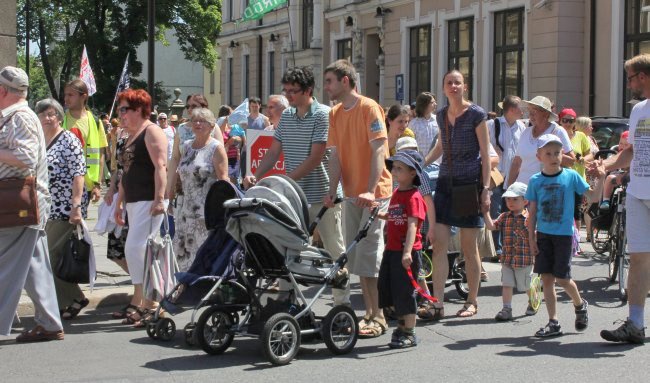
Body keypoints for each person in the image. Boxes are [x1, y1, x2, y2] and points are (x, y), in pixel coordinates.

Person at [245, 66, 349, 306]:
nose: (289, 95)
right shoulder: (288, 116)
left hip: (323, 194)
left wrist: (285, 180)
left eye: (294, 91)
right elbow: (273, 152)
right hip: (294, 197)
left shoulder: (323, 114)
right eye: (287, 90)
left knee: (334, 247)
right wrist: (256, 174)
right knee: (288, 247)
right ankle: (286, 298)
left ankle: (341, 302)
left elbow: (315, 157)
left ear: (308, 90)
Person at [323, 59, 393, 337]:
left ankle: (379, 316)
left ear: (345, 81)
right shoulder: (336, 113)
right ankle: (371, 312)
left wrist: (370, 189)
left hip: (375, 194)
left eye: (329, 81)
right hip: (352, 193)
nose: (326, 86)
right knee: (357, 256)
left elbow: (379, 150)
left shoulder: (369, 107)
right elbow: (336, 155)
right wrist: (332, 190)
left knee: (369, 254)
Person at [0, 66, 64, 342]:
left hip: (20, 203)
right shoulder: (16, 116)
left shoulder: (21, 118)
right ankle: (50, 324)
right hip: (23, 204)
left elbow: (25, 158)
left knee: (5, 264)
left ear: (3, 91)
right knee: (35, 265)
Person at [422, 69, 491, 319]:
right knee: (438, 244)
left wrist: (485, 190)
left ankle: (472, 301)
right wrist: (422, 163)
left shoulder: (476, 114)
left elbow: (485, 153)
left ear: (465, 87)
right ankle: (437, 303)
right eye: (449, 83)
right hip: (445, 183)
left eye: (457, 83)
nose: (453, 86)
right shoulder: (441, 115)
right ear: (443, 88)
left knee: (468, 247)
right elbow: (441, 145)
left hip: (468, 183)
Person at [526, 134, 605, 338]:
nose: (554, 157)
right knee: (547, 280)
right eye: (549, 153)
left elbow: (594, 196)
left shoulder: (571, 176)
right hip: (543, 235)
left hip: (563, 235)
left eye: (557, 152)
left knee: (562, 278)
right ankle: (553, 322)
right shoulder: (535, 181)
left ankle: (579, 304)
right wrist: (531, 238)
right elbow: (532, 213)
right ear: (539, 156)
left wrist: (602, 177)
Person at [600, 54, 650, 344]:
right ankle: (635, 323)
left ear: (641, 76)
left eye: (630, 77)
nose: (629, 83)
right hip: (637, 192)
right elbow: (631, 150)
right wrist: (607, 165)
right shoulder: (639, 110)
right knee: (638, 259)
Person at [113, 89, 168, 327]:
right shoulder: (129, 136)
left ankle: (153, 303)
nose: (120, 114)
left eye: (124, 109)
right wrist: (119, 203)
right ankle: (146, 301)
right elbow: (126, 172)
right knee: (136, 251)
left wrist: (159, 198)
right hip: (135, 201)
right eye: (120, 110)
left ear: (139, 110)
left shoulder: (151, 131)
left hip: (149, 200)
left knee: (138, 249)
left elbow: (161, 166)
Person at [35, 98, 89, 320]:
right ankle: (69, 298)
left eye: (51, 114)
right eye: (43, 114)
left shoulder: (69, 139)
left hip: (66, 207)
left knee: (45, 256)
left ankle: (73, 297)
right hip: (45, 207)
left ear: (59, 117)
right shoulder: (40, 140)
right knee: (50, 256)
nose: (47, 118)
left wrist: (76, 206)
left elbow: (79, 174)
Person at [378, 150, 427, 348]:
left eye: (399, 169)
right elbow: (395, 217)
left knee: (405, 292)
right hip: (391, 250)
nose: (394, 172)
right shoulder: (397, 193)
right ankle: (400, 326)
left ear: (412, 173)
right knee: (388, 289)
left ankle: (410, 332)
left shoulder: (414, 197)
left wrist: (407, 252)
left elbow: (412, 226)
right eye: (394, 168)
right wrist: (379, 213)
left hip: (406, 252)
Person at [174, 108, 229, 271]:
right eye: (194, 120)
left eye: (202, 121)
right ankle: (185, 290)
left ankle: (203, 291)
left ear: (212, 126)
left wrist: (221, 211)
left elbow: (223, 181)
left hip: (205, 213)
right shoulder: (186, 147)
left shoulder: (216, 148)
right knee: (182, 255)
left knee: (203, 256)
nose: (197, 123)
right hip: (184, 210)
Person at [483, 182, 537, 321]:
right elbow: (491, 227)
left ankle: (533, 301)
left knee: (525, 285)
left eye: (515, 199)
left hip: (524, 259)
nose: (510, 202)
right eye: (508, 199)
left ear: (525, 201)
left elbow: (535, 236)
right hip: (507, 259)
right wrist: (486, 212)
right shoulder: (504, 216)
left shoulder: (529, 218)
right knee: (507, 284)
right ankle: (507, 308)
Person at [487, 96, 526, 260]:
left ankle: (508, 245)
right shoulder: (492, 124)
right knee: (496, 211)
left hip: (514, 177)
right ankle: (497, 248)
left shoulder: (522, 127)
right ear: (511, 110)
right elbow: (482, 146)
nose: (523, 112)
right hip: (497, 176)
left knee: (510, 211)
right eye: (520, 109)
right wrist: (491, 148)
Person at [508, 96, 575, 186]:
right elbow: (516, 163)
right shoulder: (526, 132)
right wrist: (510, 188)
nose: (530, 115)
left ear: (546, 114)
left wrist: (552, 154)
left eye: (534, 111)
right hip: (522, 190)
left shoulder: (557, 131)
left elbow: (571, 161)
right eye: (529, 111)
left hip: (545, 190)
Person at [63, 78, 108, 202]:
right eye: (65, 94)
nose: (66, 98)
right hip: (63, 184)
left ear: (84, 97)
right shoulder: (60, 120)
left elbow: (100, 155)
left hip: (87, 186)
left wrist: (97, 184)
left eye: (70, 95)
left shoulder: (95, 121)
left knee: (79, 219)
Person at [599, 131, 630, 211]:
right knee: (609, 178)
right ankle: (606, 200)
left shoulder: (631, 154)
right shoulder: (616, 154)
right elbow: (611, 164)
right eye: (621, 143)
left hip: (630, 176)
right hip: (619, 175)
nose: (622, 146)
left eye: (626, 145)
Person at [408, 92, 439, 157]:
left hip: (437, 162)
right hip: (420, 162)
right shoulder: (413, 124)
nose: (435, 104)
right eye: (432, 102)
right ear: (424, 104)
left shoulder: (438, 120)